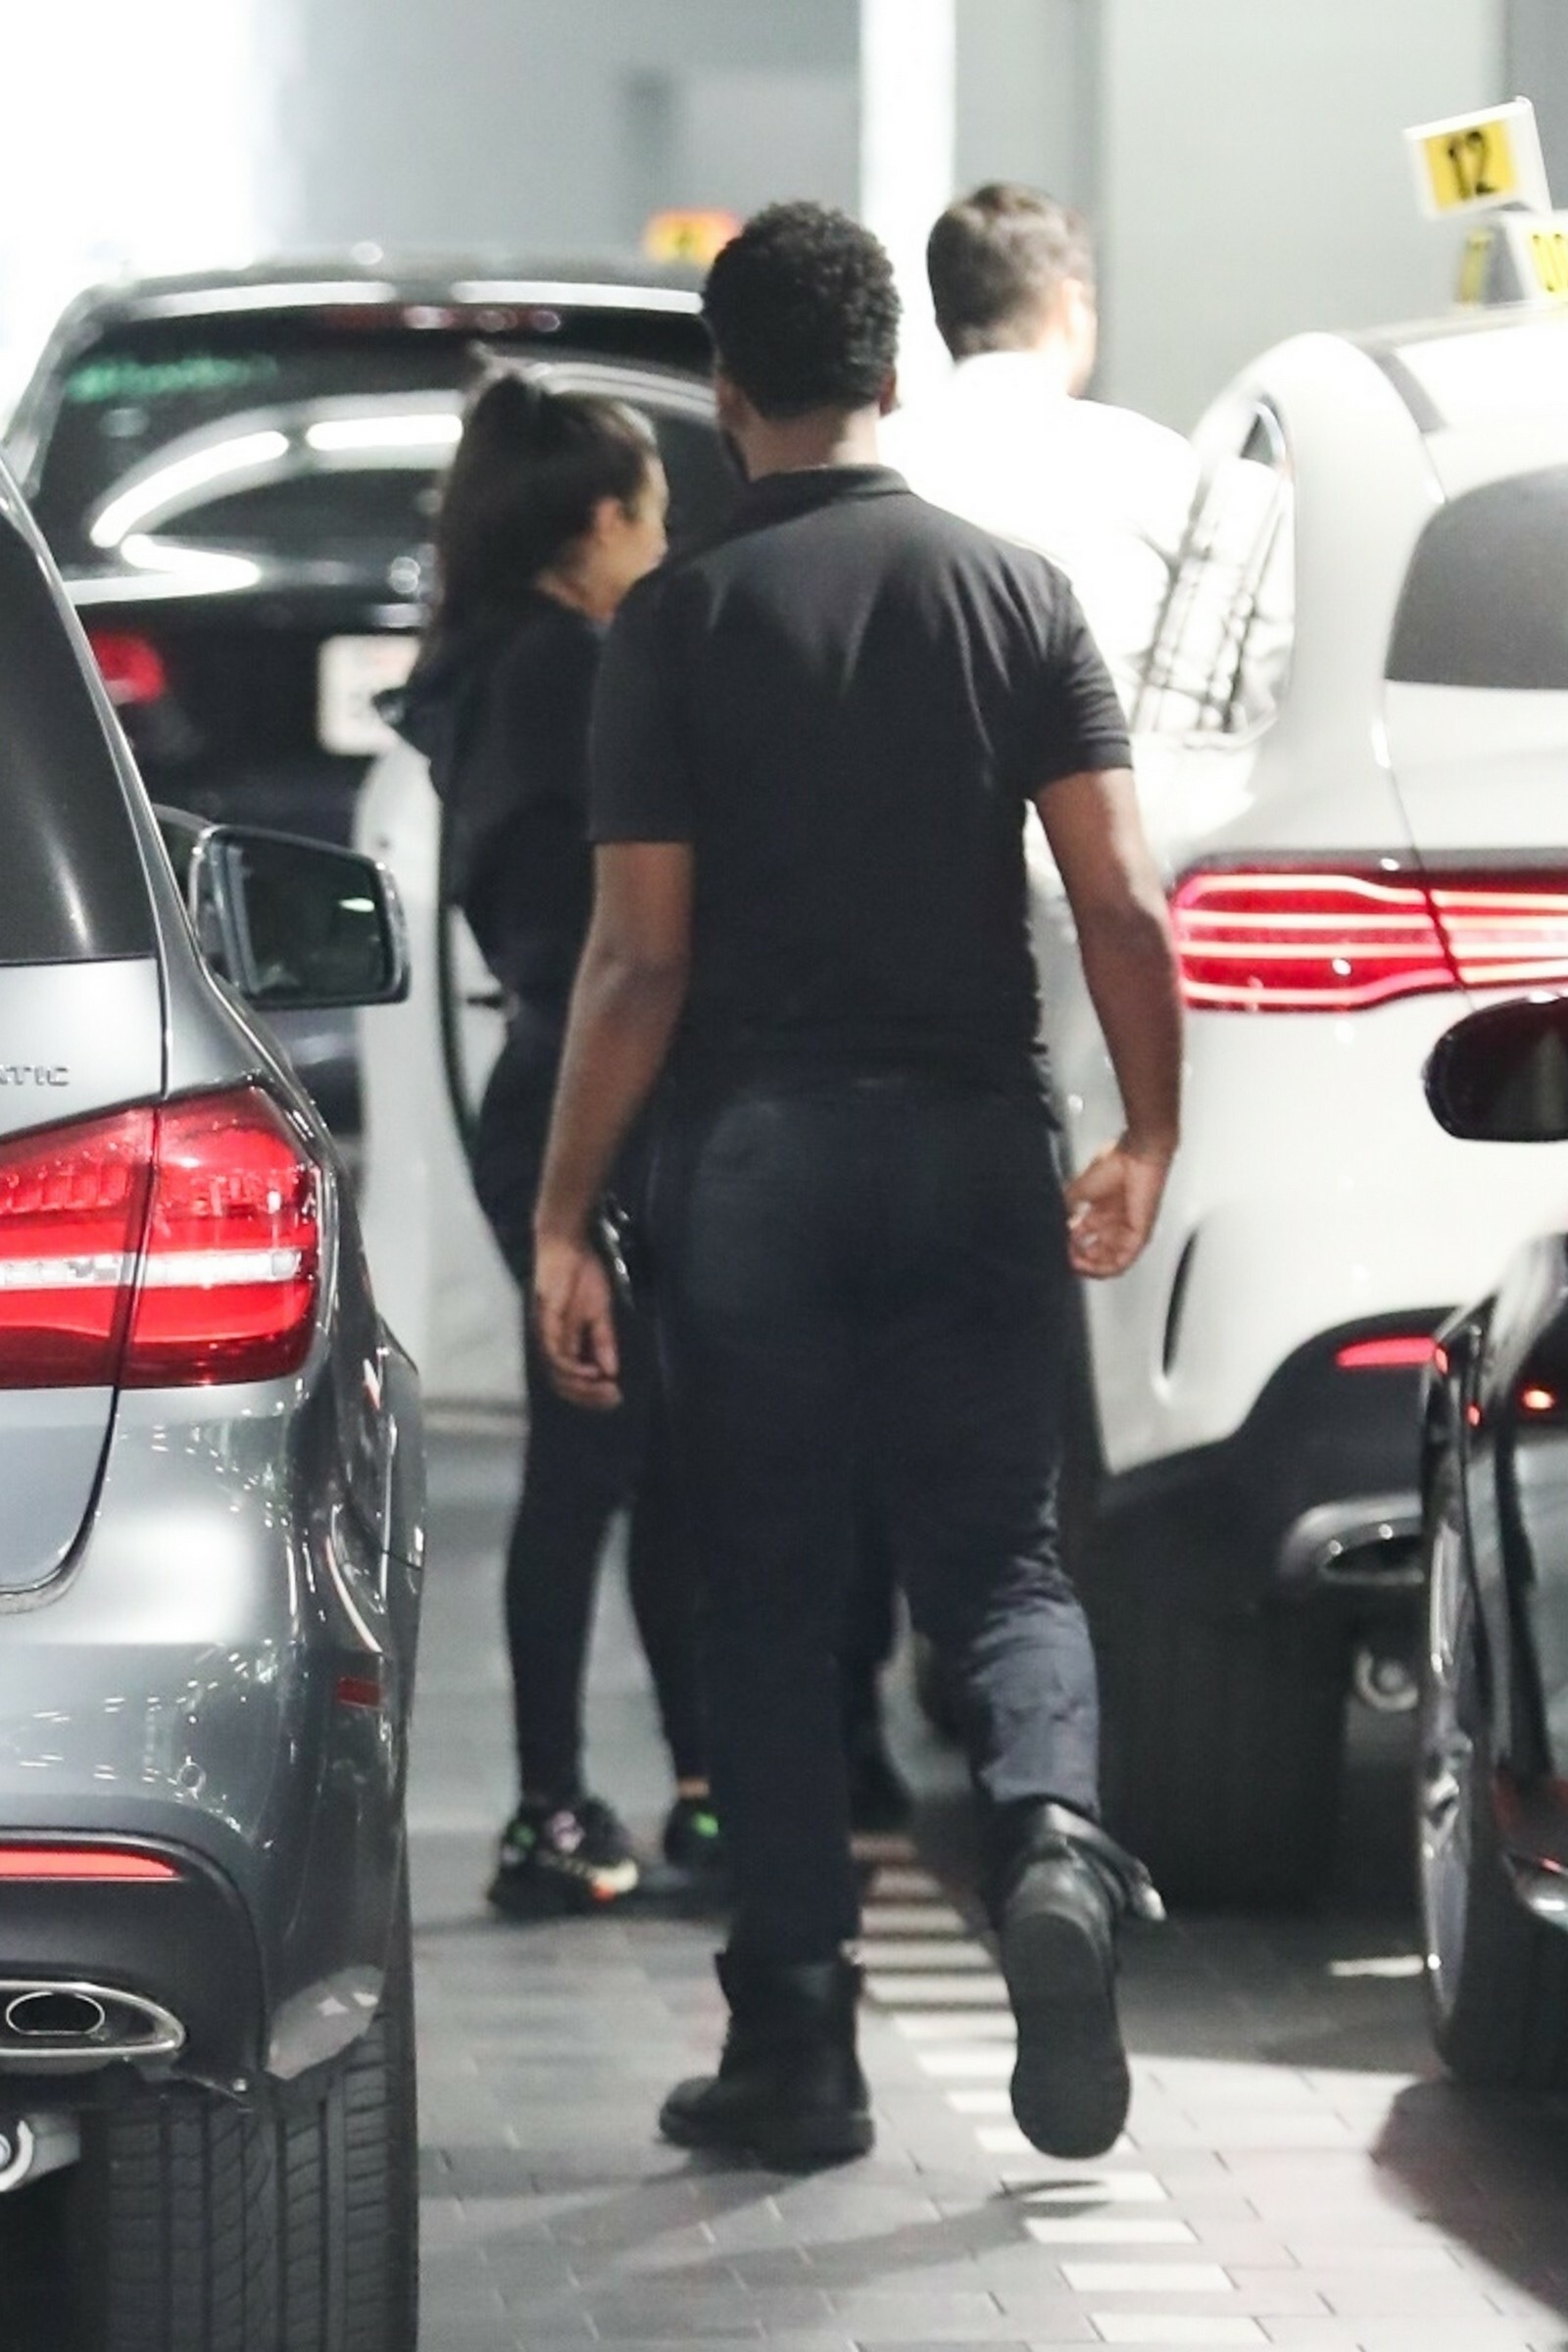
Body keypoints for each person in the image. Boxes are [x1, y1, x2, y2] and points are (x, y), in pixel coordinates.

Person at [531, 204, 1181, 2170]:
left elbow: (637, 960)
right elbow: (1120, 900)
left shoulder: (675, 624)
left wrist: (562, 1213)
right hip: (975, 1144)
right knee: (1003, 1565)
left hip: (753, 1168)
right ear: (893, 372)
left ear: (726, 394)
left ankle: (799, 2048)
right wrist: (1145, 1132)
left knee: (769, 1589)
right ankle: (1051, 1845)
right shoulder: (1013, 596)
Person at [395, 372, 721, 1917]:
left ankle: (640, 1792)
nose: (664, 543)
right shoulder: (575, 670)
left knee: (618, 1450)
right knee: (614, 1453)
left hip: (548, 1082)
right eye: (653, 515)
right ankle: (573, 1805)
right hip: (604, 1090)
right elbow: (633, 928)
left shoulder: (484, 669)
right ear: (597, 521)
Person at [881, 182, 1199, 713]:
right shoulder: (1150, 462)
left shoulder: (876, 460)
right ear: (1071, 304)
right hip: (1116, 760)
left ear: (941, 319)